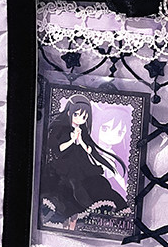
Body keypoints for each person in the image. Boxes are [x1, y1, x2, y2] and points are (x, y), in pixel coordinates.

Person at [41, 95, 128, 230]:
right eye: (77, 115)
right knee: (73, 187)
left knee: (99, 183)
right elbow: (57, 150)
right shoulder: (60, 129)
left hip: (82, 165)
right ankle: (82, 212)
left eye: (84, 117)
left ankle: (113, 212)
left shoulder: (83, 130)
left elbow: (89, 149)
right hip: (65, 166)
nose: (80, 119)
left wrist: (80, 140)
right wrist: (71, 140)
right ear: (69, 112)